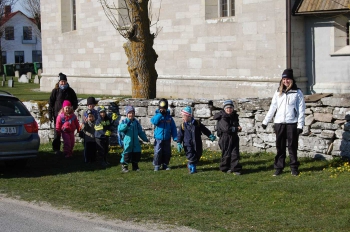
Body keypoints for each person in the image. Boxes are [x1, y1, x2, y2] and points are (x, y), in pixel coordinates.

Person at [262, 68, 305, 177]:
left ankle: (294, 167)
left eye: (288, 79)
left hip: (292, 123)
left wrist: (300, 125)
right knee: (280, 147)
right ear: (281, 80)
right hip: (279, 123)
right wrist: (265, 121)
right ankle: (278, 167)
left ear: (292, 80)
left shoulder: (297, 92)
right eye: (284, 79)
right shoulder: (277, 92)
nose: (286, 81)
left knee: (292, 146)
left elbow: (301, 110)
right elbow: (273, 107)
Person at [177, 106, 216, 174]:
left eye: (184, 116)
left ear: (189, 116)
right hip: (188, 144)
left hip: (197, 143)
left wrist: (209, 135)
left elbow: (204, 129)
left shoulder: (197, 123)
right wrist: (179, 143)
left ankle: (192, 164)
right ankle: (192, 167)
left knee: (198, 154)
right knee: (190, 155)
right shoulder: (183, 125)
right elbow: (180, 135)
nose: (182, 118)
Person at [49, 73, 78, 155]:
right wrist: (50, 113)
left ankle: (68, 149)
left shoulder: (70, 91)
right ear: (59, 81)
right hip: (57, 115)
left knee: (68, 132)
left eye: (64, 81)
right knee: (57, 132)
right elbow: (51, 102)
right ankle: (56, 149)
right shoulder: (55, 91)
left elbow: (75, 101)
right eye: (62, 81)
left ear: (66, 82)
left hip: (68, 116)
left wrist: (72, 109)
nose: (63, 83)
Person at [213, 100, 242, 175]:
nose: (229, 109)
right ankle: (225, 168)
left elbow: (236, 125)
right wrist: (236, 129)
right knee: (226, 154)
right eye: (227, 108)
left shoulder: (234, 116)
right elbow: (226, 129)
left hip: (234, 137)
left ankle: (235, 169)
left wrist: (238, 127)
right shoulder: (222, 117)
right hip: (225, 138)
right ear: (224, 109)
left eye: (230, 108)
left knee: (235, 153)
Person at [118, 106, 149, 173]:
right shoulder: (124, 122)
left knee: (136, 154)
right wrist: (126, 125)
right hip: (127, 142)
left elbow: (140, 132)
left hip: (135, 142)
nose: (131, 114)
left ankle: (135, 166)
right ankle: (124, 166)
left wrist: (145, 139)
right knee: (126, 155)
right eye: (129, 113)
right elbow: (120, 129)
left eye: (132, 113)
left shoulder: (136, 123)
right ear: (126, 114)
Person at [150, 98, 177, 171]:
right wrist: (159, 114)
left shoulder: (169, 118)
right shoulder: (157, 115)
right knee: (158, 152)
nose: (163, 110)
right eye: (161, 108)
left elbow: (173, 127)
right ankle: (157, 165)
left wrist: (175, 137)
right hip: (158, 138)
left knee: (167, 152)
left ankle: (165, 164)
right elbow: (154, 122)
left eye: (164, 108)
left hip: (167, 138)